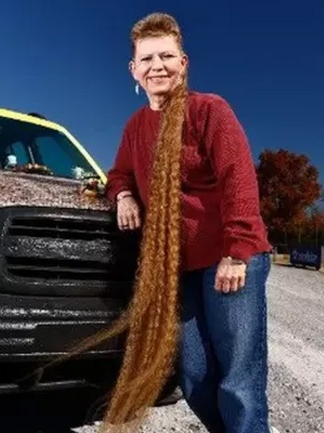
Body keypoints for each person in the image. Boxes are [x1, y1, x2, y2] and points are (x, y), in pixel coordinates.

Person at [78, 12, 275, 433]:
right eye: (147, 59)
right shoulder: (136, 127)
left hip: (231, 258)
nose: (157, 66)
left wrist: (237, 252)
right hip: (180, 268)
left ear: (183, 63)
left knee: (239, 379)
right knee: (193, 374)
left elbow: (238, 177)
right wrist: (124, 194)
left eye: (166, 56)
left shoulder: (209, 110)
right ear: (134, 69)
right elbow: (120, 173)